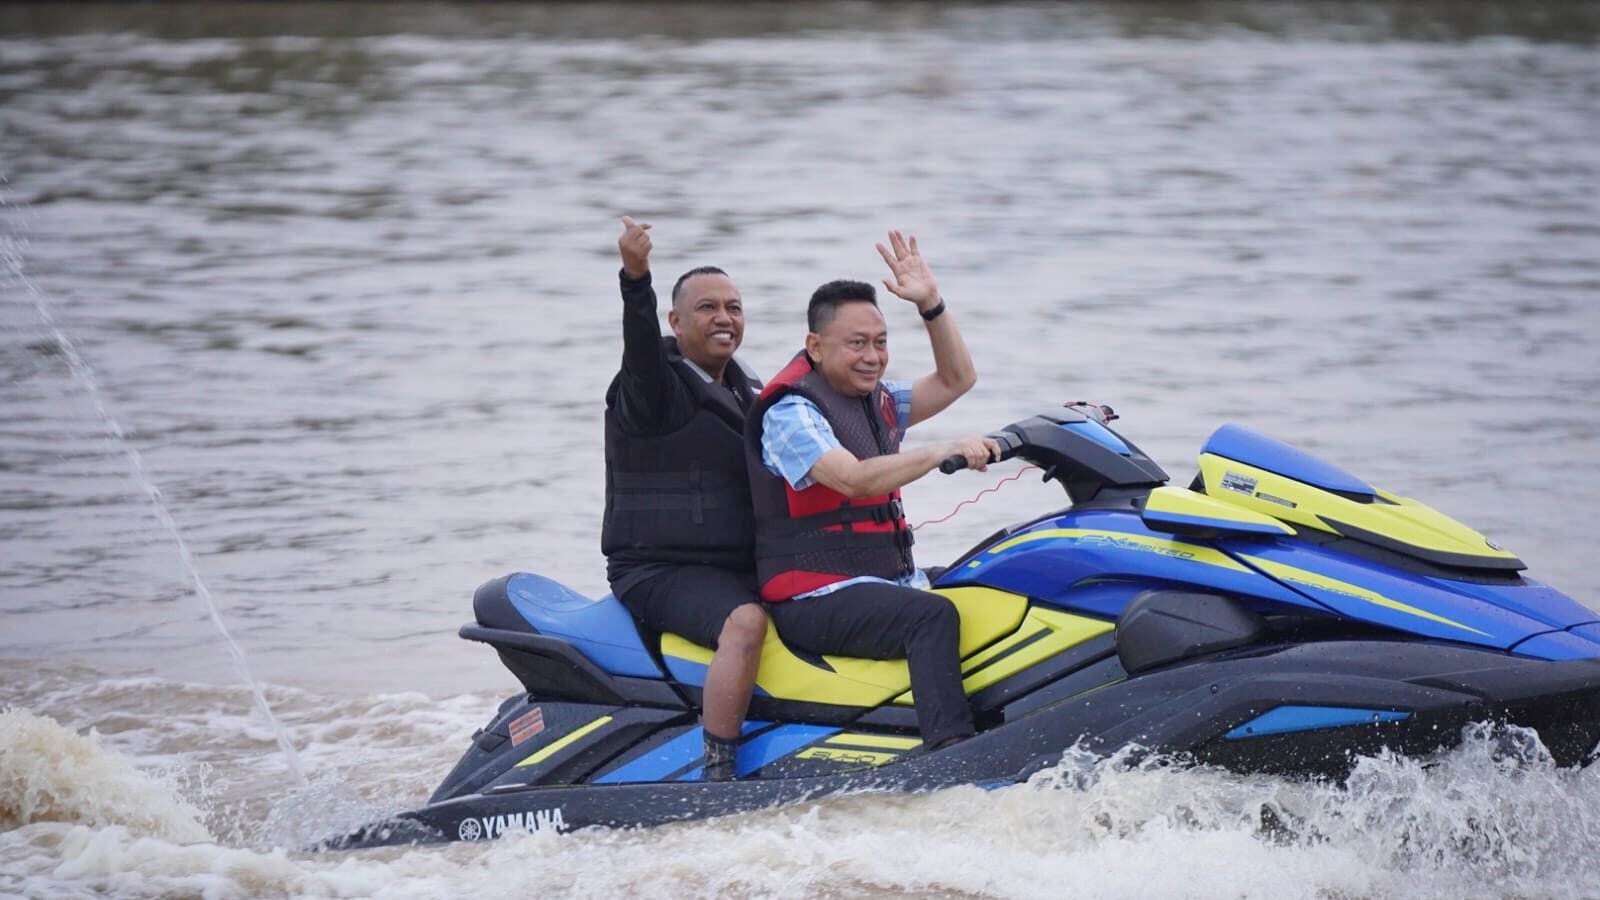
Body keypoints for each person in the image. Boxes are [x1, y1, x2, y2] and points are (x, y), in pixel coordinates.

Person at [746, 230, 1001, 750]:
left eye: (880, 343)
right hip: (811, 597)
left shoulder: (877, 400)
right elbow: (851, 478)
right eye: (856, 343)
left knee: (987, 575)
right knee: (932, 616)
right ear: (815, 347)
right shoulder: (791, 413)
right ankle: (949, 751)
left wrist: (931, 305)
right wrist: (937, 452)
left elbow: (957, 379)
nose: (872, 356)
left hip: (879, 580)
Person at [602, 216, 768, 780]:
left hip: (736, 563)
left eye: (734, 307)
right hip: (658, 569)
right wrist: (635, 277)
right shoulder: (653, 390)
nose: (724, 317)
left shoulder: (751, 392)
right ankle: (717, 767)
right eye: (707, 308)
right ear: (676, 321)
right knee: (745, 624)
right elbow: (641, 348)